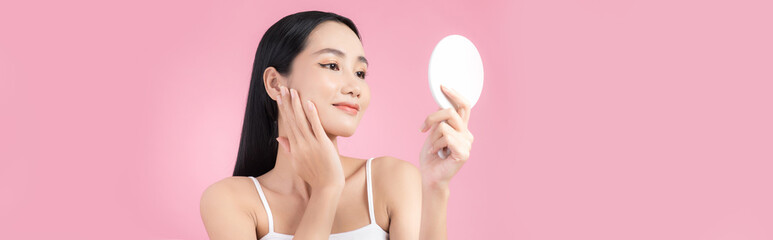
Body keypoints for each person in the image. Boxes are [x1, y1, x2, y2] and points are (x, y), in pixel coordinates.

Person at [200, 10, 475, 240]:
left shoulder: (391, 179)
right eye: (332, 65)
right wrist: (326, 189)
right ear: (275, 83)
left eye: (360, 73)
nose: (355, 87)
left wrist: (437, 187)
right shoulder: (230, 201)